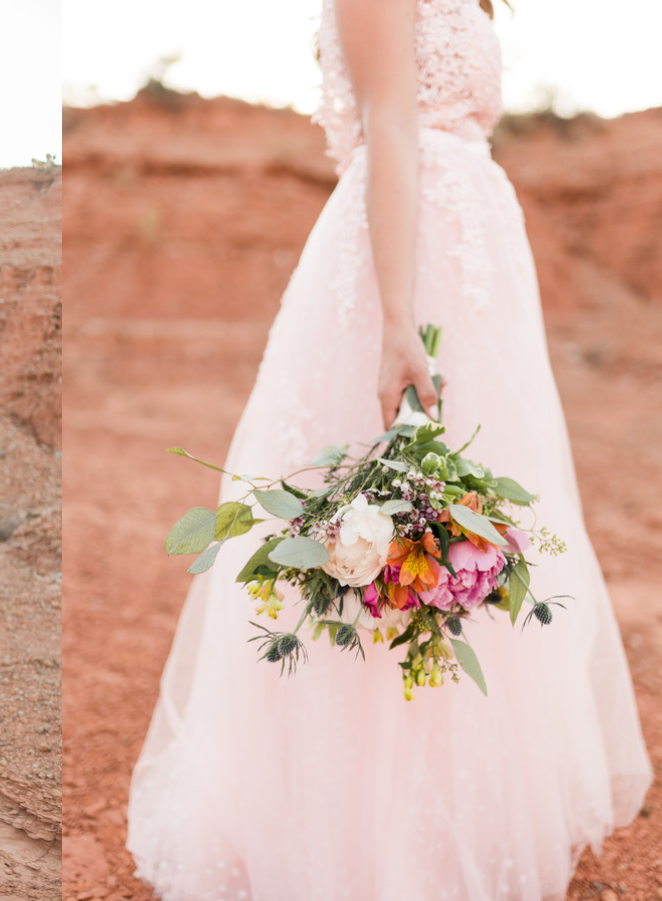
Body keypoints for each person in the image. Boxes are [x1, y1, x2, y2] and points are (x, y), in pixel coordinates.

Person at [125, 0, 652, 898]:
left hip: (469, 244)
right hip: (407, 260)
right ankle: (351, 827)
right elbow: (390, 127)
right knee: (383, 520)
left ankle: (462, 810)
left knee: (470, 513)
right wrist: (398, 322)